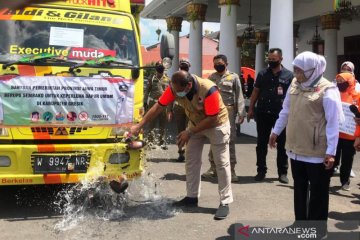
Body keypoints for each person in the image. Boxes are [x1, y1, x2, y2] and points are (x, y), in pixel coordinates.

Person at [130, 71, 233, 220]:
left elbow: (212, 118)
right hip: (195, 123)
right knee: (191, 161)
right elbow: (159, 106)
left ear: (189, 85)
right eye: (175, 90)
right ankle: (191, 198)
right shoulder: (174, 88)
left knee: (221, 163)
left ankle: (225, 201)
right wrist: (140, 125)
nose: (176, 93)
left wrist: (189, 132)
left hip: (216, 124)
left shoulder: (209, 90)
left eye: (178, 91)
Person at [269, 51, 343, 238]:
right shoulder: (295, 84)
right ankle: (300, 224)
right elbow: (286, 110)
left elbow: (334, 123)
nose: (296, 73)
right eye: (294, 69)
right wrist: (276, 131)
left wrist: (331, 152)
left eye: (299, 70)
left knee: (318, 193)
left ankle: (317, 230)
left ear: (312, 70)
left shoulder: (328, 90)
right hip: (296, 148)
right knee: (300, 189)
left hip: (317, 151)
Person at [247, 48, 293, 183]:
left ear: (281, 59)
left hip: (281, 115)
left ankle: (282, 173)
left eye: (274, 59)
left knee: (282, 144)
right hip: (263, 113)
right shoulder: (262, 74)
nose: (271, 61)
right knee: (261, 143)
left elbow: (292, 96)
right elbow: (255, 92)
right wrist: (250, 109)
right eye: (270, 59)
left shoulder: (289, 76)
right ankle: (261, 170)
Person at [202, 54, 245, 182]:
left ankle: (231, 170)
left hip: (229, 110)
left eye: (220, 63)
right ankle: (213, 168)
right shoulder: (212, 77)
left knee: (229, 139)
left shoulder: (234, 77)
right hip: (214, 112)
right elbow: (206, 95)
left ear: (226, 63)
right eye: (215, 63)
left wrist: (241, 113)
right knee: (214, 136)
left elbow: (239, 95)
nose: (217, 65)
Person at [332, 72, 359, 191]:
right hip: (336, 134)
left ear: (349, 82)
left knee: (347, 160)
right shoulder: (334, 94)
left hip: (350, 135)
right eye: (338, 82)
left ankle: (345, 181)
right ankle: (325, 179)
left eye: (342, 81)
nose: (339, 84)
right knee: (333, 157)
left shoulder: (357, 96)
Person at [143, 61, 170, 149]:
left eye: (161, 67)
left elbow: (170, 93)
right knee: (152, 123)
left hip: (164, 105)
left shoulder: (167, 79)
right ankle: (151, 142)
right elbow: (147, 90)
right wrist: (144, 102)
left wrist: (170, 107)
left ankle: (162, 142)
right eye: (158, 67)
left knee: (163, 123)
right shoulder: (152, 78)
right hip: (153, 103)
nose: (160, 69)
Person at [169, 59, 190, 162]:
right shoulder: (174, 79)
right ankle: (181, 152)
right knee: (180, 131)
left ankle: (188, 152)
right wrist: (169, 110)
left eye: (185, 67)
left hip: (190, 108)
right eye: (182, 66)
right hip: (178, 107)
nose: (184, 68)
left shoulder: (191, 79)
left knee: (189, 130)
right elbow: (169, 96)